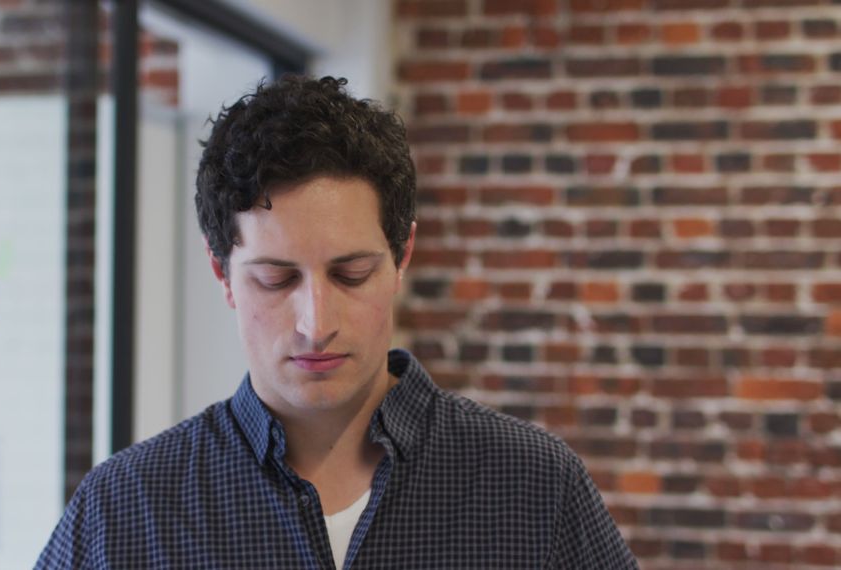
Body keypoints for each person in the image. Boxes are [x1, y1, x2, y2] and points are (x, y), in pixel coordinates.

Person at [35, 75, 638, 569]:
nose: (315, 322)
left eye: (350, 274)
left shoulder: (535, 487)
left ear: (401, 257)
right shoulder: (124, 509)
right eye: (276, 279)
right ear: (222, 274)